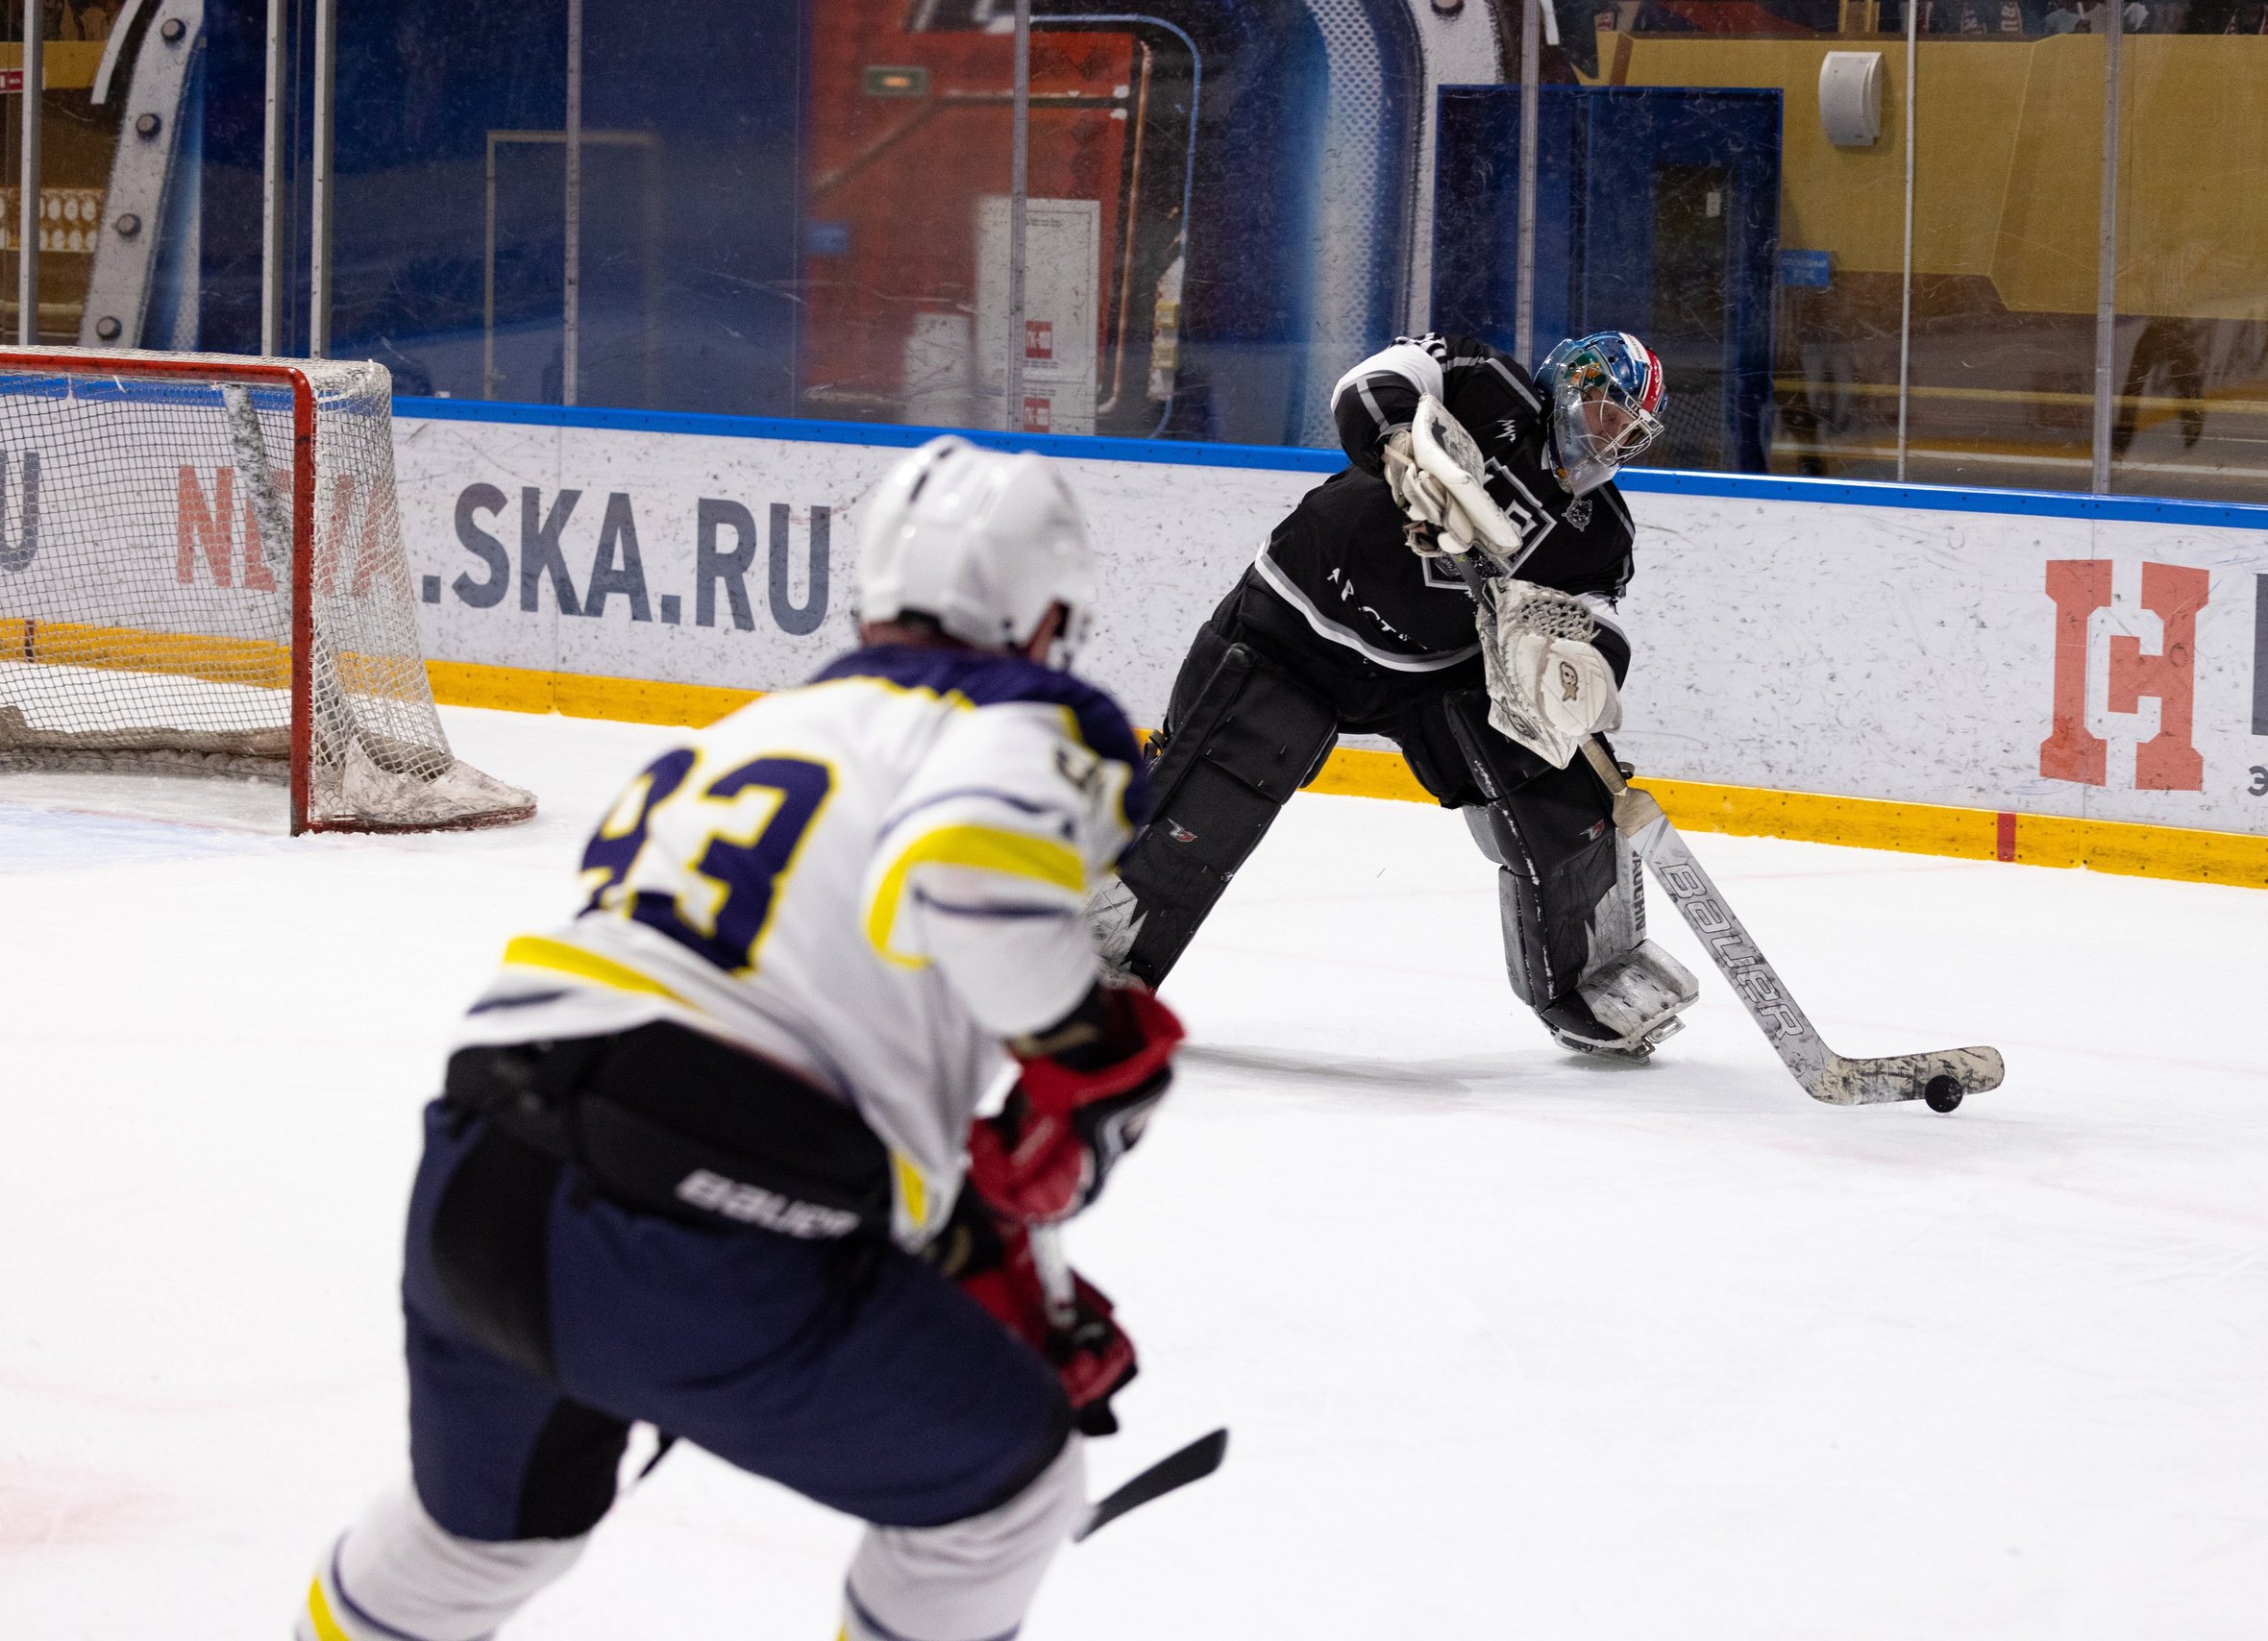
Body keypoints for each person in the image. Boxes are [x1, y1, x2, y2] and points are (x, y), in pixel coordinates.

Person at [295, 436, 1182, 1641]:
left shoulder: (751, 729)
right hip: (697, 1223)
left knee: (475, 1544)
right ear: (1047, 619)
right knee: (1009, 1495)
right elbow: (969, 868)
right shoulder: (1025, 709)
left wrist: (945, 1226)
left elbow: (738, 998)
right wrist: (1081, 1041)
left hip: (482, 1171)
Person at [1088, 331, 1700, 1059]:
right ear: (1573, 382)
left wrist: (1571, 670)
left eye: (1630, 429)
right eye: (1609, 411)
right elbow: (1376, 378)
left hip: (1437, 675)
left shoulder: (1601, 531)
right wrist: (1400, 443)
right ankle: (1087, 966)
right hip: (1296, 625)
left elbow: (1598, 633)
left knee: (1560, 794)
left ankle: (1597, 974)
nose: (1612, 436)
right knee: (1210, 798)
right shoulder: (1486, 387)